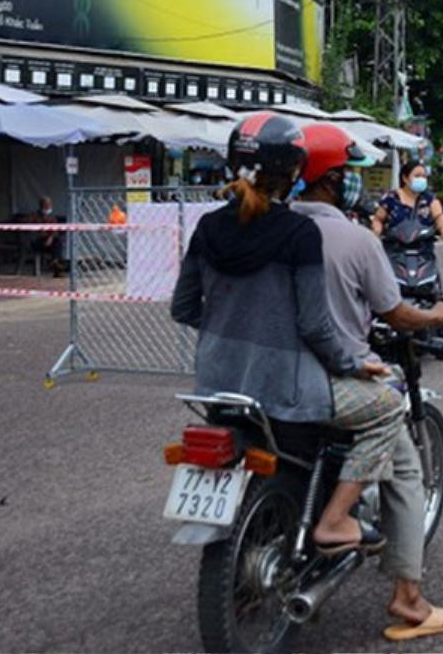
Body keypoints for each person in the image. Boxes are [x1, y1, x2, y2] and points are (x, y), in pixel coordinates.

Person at [170, 112, 390, 554]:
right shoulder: (298, 233)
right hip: (285, 391)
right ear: (293, 171)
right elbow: (314, 325)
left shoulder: (208, 227)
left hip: (217, 387)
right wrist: (354, 365)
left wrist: (230, 327)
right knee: (387, 409)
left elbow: (184, 307)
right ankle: (333, 521)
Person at [290, 123, 443, 641]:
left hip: (263, 380)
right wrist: (438, 318)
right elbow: (393, 313)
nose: (354, 185)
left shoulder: (268, 228)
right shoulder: (355, 237)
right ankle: (408, 598)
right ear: (329, 180)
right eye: (346, 175)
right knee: (404, 464)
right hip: (333, 376)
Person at [372, 161, 443, 240]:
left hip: (423, 247)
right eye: (417, 176)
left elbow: (439, 217)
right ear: (405, 178)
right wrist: (377, 231)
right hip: (395, 247)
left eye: (424, 176)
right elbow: (378, 219)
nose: (421, 179)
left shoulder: (429, 199)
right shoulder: (391, 198)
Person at [30, 196, 65, 276]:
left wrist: (51, 238)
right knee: (56, 244)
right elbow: (35, 231)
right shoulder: (34, 216)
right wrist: (46, 236)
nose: (49, 207)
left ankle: (55, 263)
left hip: (50, 242)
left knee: (58, 241)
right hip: (37, 241)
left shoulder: (52, 217)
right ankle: (56, 265)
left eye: (50, 205)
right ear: (41, 206)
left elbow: (55, 230)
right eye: (47, 205)